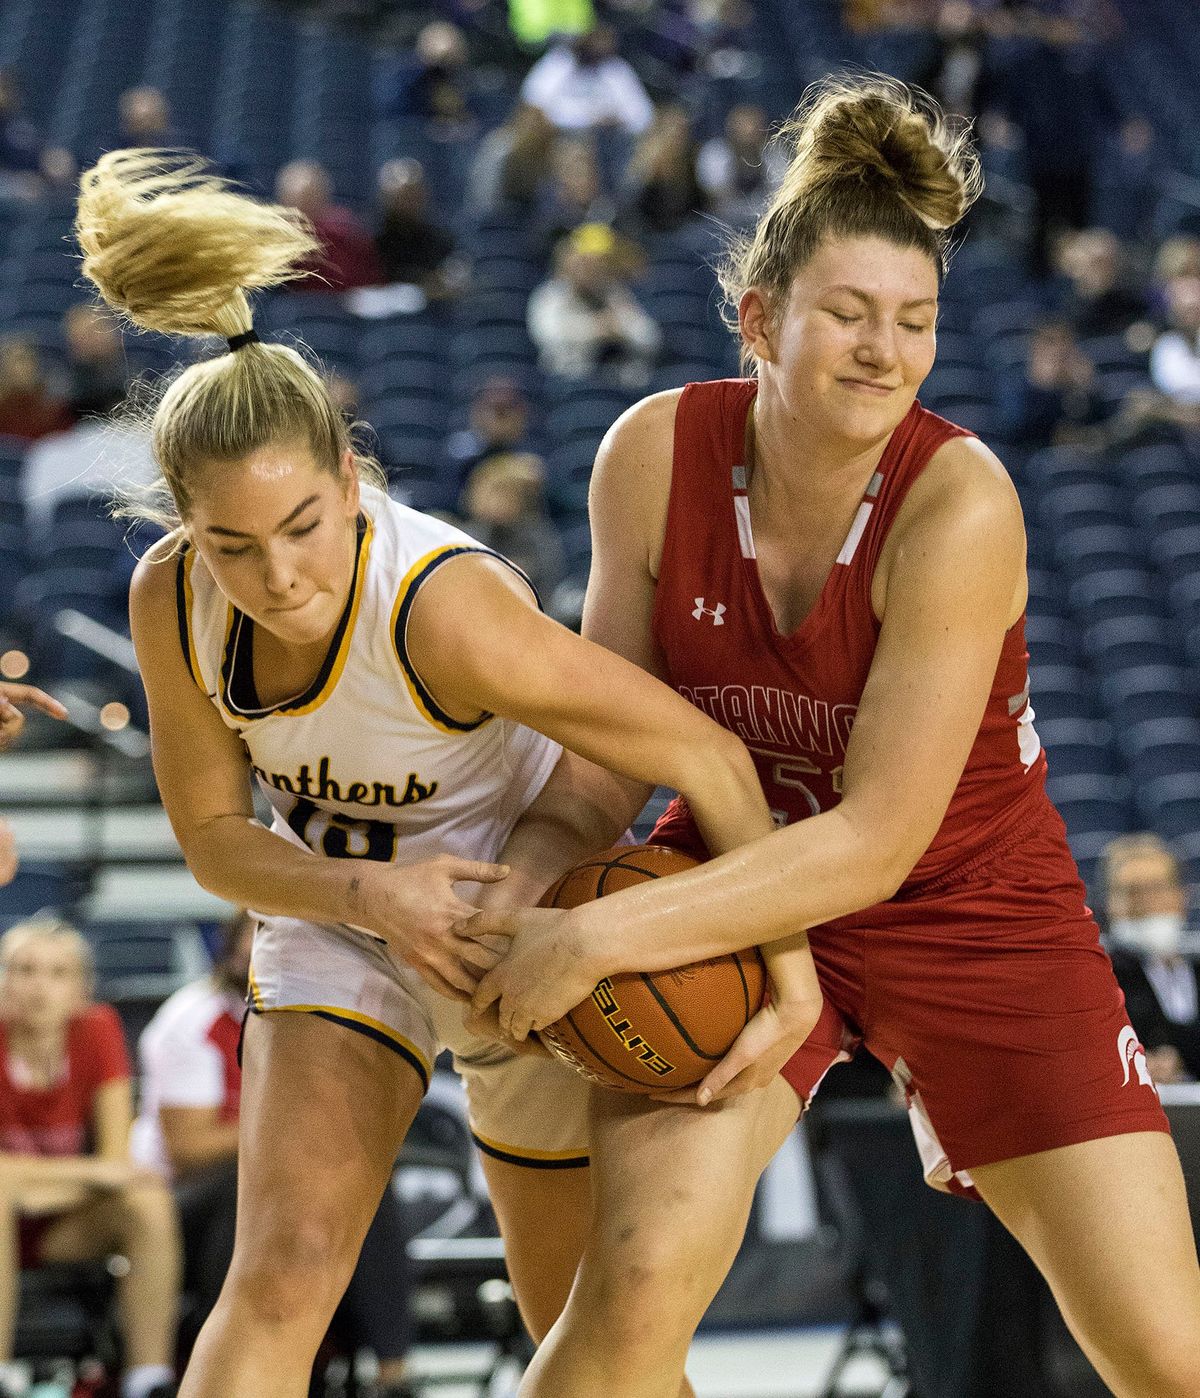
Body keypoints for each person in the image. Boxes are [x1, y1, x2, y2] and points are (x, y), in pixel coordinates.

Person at [467, 75, 1200, 1398]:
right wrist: (525, 882)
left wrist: (590, 933)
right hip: (732, 891)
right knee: (627, 1299)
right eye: (849, 315)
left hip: (972, 902)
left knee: (1166, 1351)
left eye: (914, 321)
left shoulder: (959, 500)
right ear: (760, 317)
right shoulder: (652, 453)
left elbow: (874, 842)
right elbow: (600, 758)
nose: (885, 349)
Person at [74, 148, 794, 1398]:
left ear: (350, 484)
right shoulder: (169, 599)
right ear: (186, 533)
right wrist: (371, 902)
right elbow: (211, 837)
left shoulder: (443, 606)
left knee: (584, 1331)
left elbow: (696, 752)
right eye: (232, 546)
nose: (281, 575)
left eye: (303, 526)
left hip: (526, 931)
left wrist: (778, 970)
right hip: (344, 920)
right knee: (286, 1267)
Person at [132, 911, 418, 1395]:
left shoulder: (319, 1014)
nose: (257, 947)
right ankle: (240, 1343)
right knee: (244, 1184)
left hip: (264, 1181)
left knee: (361, 1178)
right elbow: (187, 1149)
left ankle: (394, 1372)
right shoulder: (191, 1019)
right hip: (175, 1201)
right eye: (254, 932)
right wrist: (288, 1132)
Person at [0, 915, 181, 1398]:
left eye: (57, 974)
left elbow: (117, 1165)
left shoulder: (97, 1031)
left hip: (60, 1222)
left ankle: (148, 1378)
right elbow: (98, 1169)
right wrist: (83, 1174)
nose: (39, 986)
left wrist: (26, 1184)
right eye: (24, 970)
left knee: (148, 1201)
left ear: (80, 988)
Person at [1101, 833, 1200, 1084]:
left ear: (1181, 896)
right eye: (1131, 892)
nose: (1144, 904)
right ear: (1110, 903)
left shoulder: (1194, 968)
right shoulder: (1101, 978)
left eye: (1156, 889)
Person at [527, 222, 661, 386]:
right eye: (583, 263)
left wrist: (621, 330)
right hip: (568, 382)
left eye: (596, 264)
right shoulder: (551, 295)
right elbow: (549, 335)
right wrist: (597, 328)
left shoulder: (615, 294)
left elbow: (650, 339)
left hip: (616, 382)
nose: (589, 270)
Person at [458, 452, 564, 602]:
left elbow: (548, 586)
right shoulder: (466, 538)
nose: (498, 502)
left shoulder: (538, 536)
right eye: (493, 493)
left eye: (505, 493)